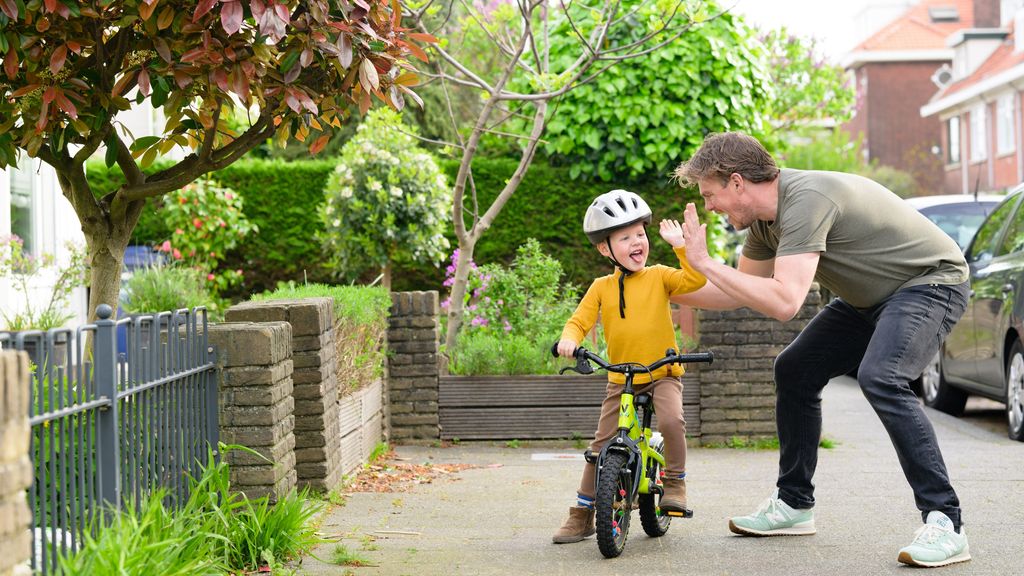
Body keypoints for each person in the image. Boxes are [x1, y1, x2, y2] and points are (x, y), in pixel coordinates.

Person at [671, 132, 972, 568]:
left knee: (882, 377)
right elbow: (736, 292)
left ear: (737, 182)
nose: (709, 206)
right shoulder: (762, 224)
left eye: (710, 195)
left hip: (929, 283)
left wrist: (704, 263)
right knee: (795, 369)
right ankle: (794, 504)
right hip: (872, 298)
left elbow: (784, 302)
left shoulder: (806, 199)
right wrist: (663, 290)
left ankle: (946, 521)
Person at [551, 189, 707, 544]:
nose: (637, 242)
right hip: (621, 378)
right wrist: (569, 340)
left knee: (671, 421)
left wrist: (681, 247)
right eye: (625, 237)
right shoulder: (601, 287)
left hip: (662, 373)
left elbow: (695, 281)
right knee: (599, 447)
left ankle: (675, 482)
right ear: (605, 249)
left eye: (640, 234)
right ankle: (581, 514)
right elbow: (579, 321)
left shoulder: (660, 276)